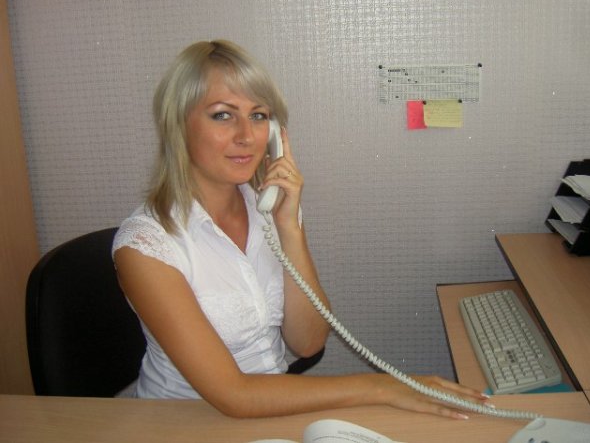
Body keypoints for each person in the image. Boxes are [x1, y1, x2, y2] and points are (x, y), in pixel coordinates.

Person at [112, 39, 489, 419]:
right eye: (223, 115)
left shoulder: (269, 210)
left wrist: (289, 227)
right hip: (184, 421)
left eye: (259, 116)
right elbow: (234, 395)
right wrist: (384, 386)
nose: (246, 136)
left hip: (273, 407)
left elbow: (308, 343)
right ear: (178, 125)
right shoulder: (146, 246)